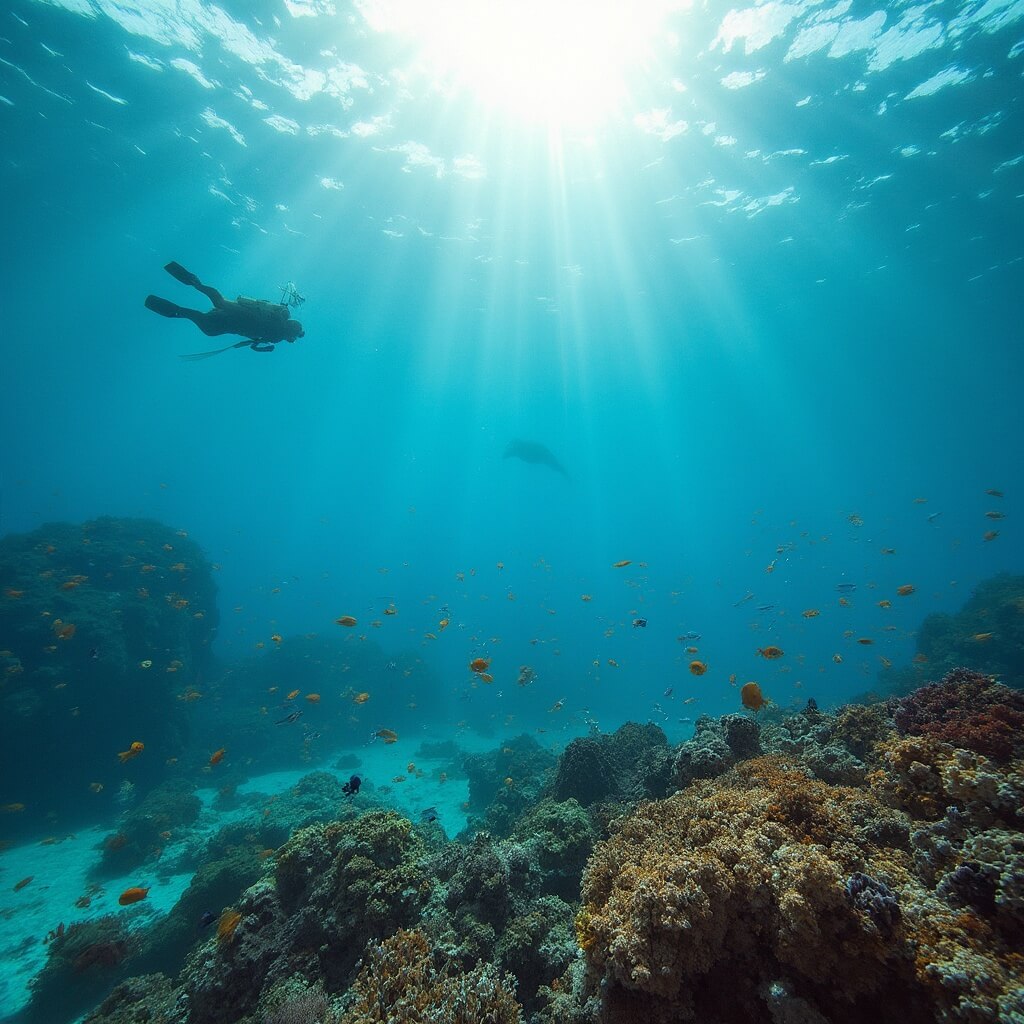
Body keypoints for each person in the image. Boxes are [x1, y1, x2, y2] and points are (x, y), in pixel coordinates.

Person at [145, 262, 304, 358]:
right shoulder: (278, 330)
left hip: (232, 318)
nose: (291, 338)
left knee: (210, 303)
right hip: (234, 318)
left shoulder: (278, 329)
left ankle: (184, 278)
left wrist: (264, 348)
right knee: (198, 311)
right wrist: (264, 348)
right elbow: (256, 342)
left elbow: (255, 342)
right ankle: (179, 288)